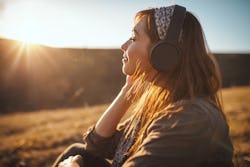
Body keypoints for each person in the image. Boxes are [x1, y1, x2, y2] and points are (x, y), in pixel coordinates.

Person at [52, 4, 234, 167]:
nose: (123, 45)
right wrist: (128, 91)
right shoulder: (159, 104)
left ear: (163, 53)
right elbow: (96, 146)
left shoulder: (191, 118)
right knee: (77, 151)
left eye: (133, 38)